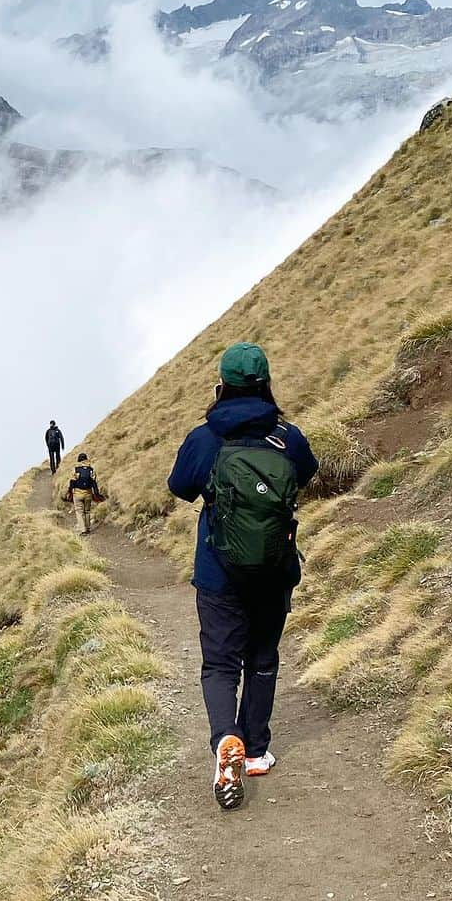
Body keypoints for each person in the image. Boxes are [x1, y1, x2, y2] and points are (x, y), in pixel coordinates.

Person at [167, 342, 317, 811]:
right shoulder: (286, 436)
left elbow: (178, 487)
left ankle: (224, 741)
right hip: (274, 568)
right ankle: (254, 750)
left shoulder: (204, 438)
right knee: (263, 658)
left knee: (219, 663)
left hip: (218, 570)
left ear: (223, 385)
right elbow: (307, 474)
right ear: (265, 383)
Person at [67, 453, 100, 534]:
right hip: (88, 493)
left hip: (78, 493)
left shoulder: (75, 469)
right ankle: (88, 528)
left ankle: (83, 530)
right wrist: (96, 493)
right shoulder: (91, 470)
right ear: (86, 459)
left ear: (79, 460)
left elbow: (72, 481)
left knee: (79, 512)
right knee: (87, 511)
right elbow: (94, 482)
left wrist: (70, 491)